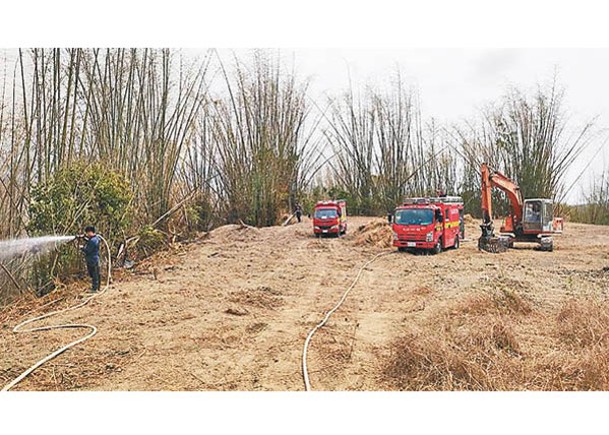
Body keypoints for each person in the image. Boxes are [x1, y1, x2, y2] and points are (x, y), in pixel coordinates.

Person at [80, 225, 101, 293]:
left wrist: (82, 248)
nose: (86, 234)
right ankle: (97, 287)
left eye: (87, 233)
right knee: (95, 274)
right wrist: (84, 238)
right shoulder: (95, 239)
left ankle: (95, 289)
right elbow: (89, 241)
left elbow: (88, 250)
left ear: (90, 232)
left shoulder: (93, 240)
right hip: (94, 259)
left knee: (94, 275)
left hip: (93, 260)